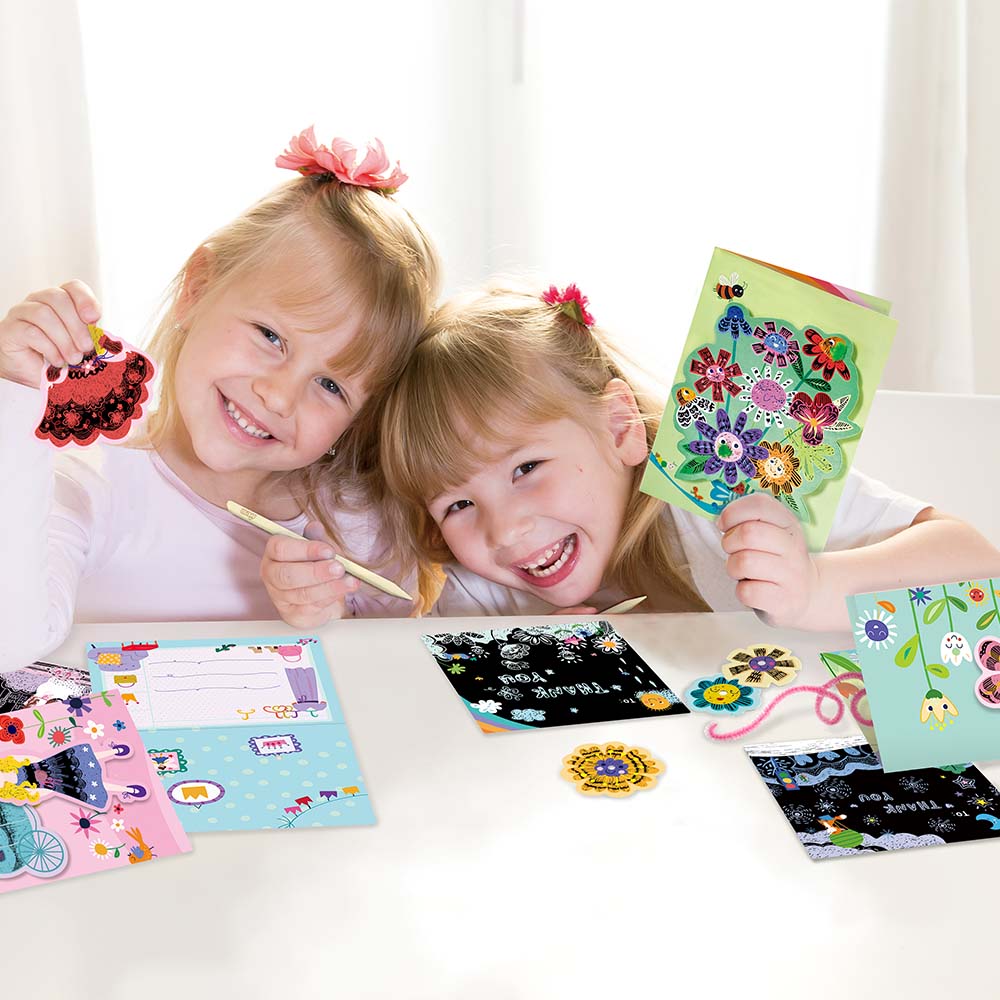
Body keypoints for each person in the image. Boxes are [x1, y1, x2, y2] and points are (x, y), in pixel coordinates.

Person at [0, 128, 440, 668]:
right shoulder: (92, 478)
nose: (278, 397)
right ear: (198, 289)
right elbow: (9, 639)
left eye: (331, 385)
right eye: (271, 337)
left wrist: (333, 619)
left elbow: (394, 667)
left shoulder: (352, 519)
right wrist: (16, 392)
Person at [360, 283, 998, 626]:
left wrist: (817, 588)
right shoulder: (483, 594)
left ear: (619, 427)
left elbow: (978, 565)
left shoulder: (729, 485)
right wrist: (525, 663)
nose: (504, 530)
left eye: (525, 469)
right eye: (458, 504)